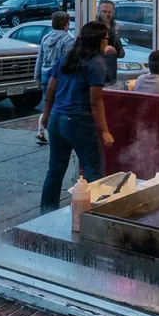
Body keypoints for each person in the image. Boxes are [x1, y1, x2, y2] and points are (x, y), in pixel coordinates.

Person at [39, 21, 114, 213]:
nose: (107, 42)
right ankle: (98, 216)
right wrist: (105, 131)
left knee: (54, 170)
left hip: (57, 119)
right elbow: (95, 101)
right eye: (106, 38)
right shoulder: (97, 63)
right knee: (94, 171)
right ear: (97, 40)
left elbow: (50, 89)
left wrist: (45, 116)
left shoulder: (66, 57)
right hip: (79, 122)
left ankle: (46, 213)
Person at [34, 11, 74, 144]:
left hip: (45, 74)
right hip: (59, 77)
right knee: (58, 106)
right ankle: (55, 134)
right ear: (66, 24)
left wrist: (37, 77)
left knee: (47, 102)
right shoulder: (68, 40)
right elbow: (68, 62)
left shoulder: (45, 38)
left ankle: (41, 130)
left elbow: (39, 59)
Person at [96, 0, 125, 86]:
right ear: (99, 11)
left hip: (112, 69)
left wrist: (120, 50)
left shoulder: (115, 26)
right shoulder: (94, 27)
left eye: (109, 12)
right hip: (98, 69)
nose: (107, 14)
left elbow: (118, 46)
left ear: (113, 12)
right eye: (104, 11)